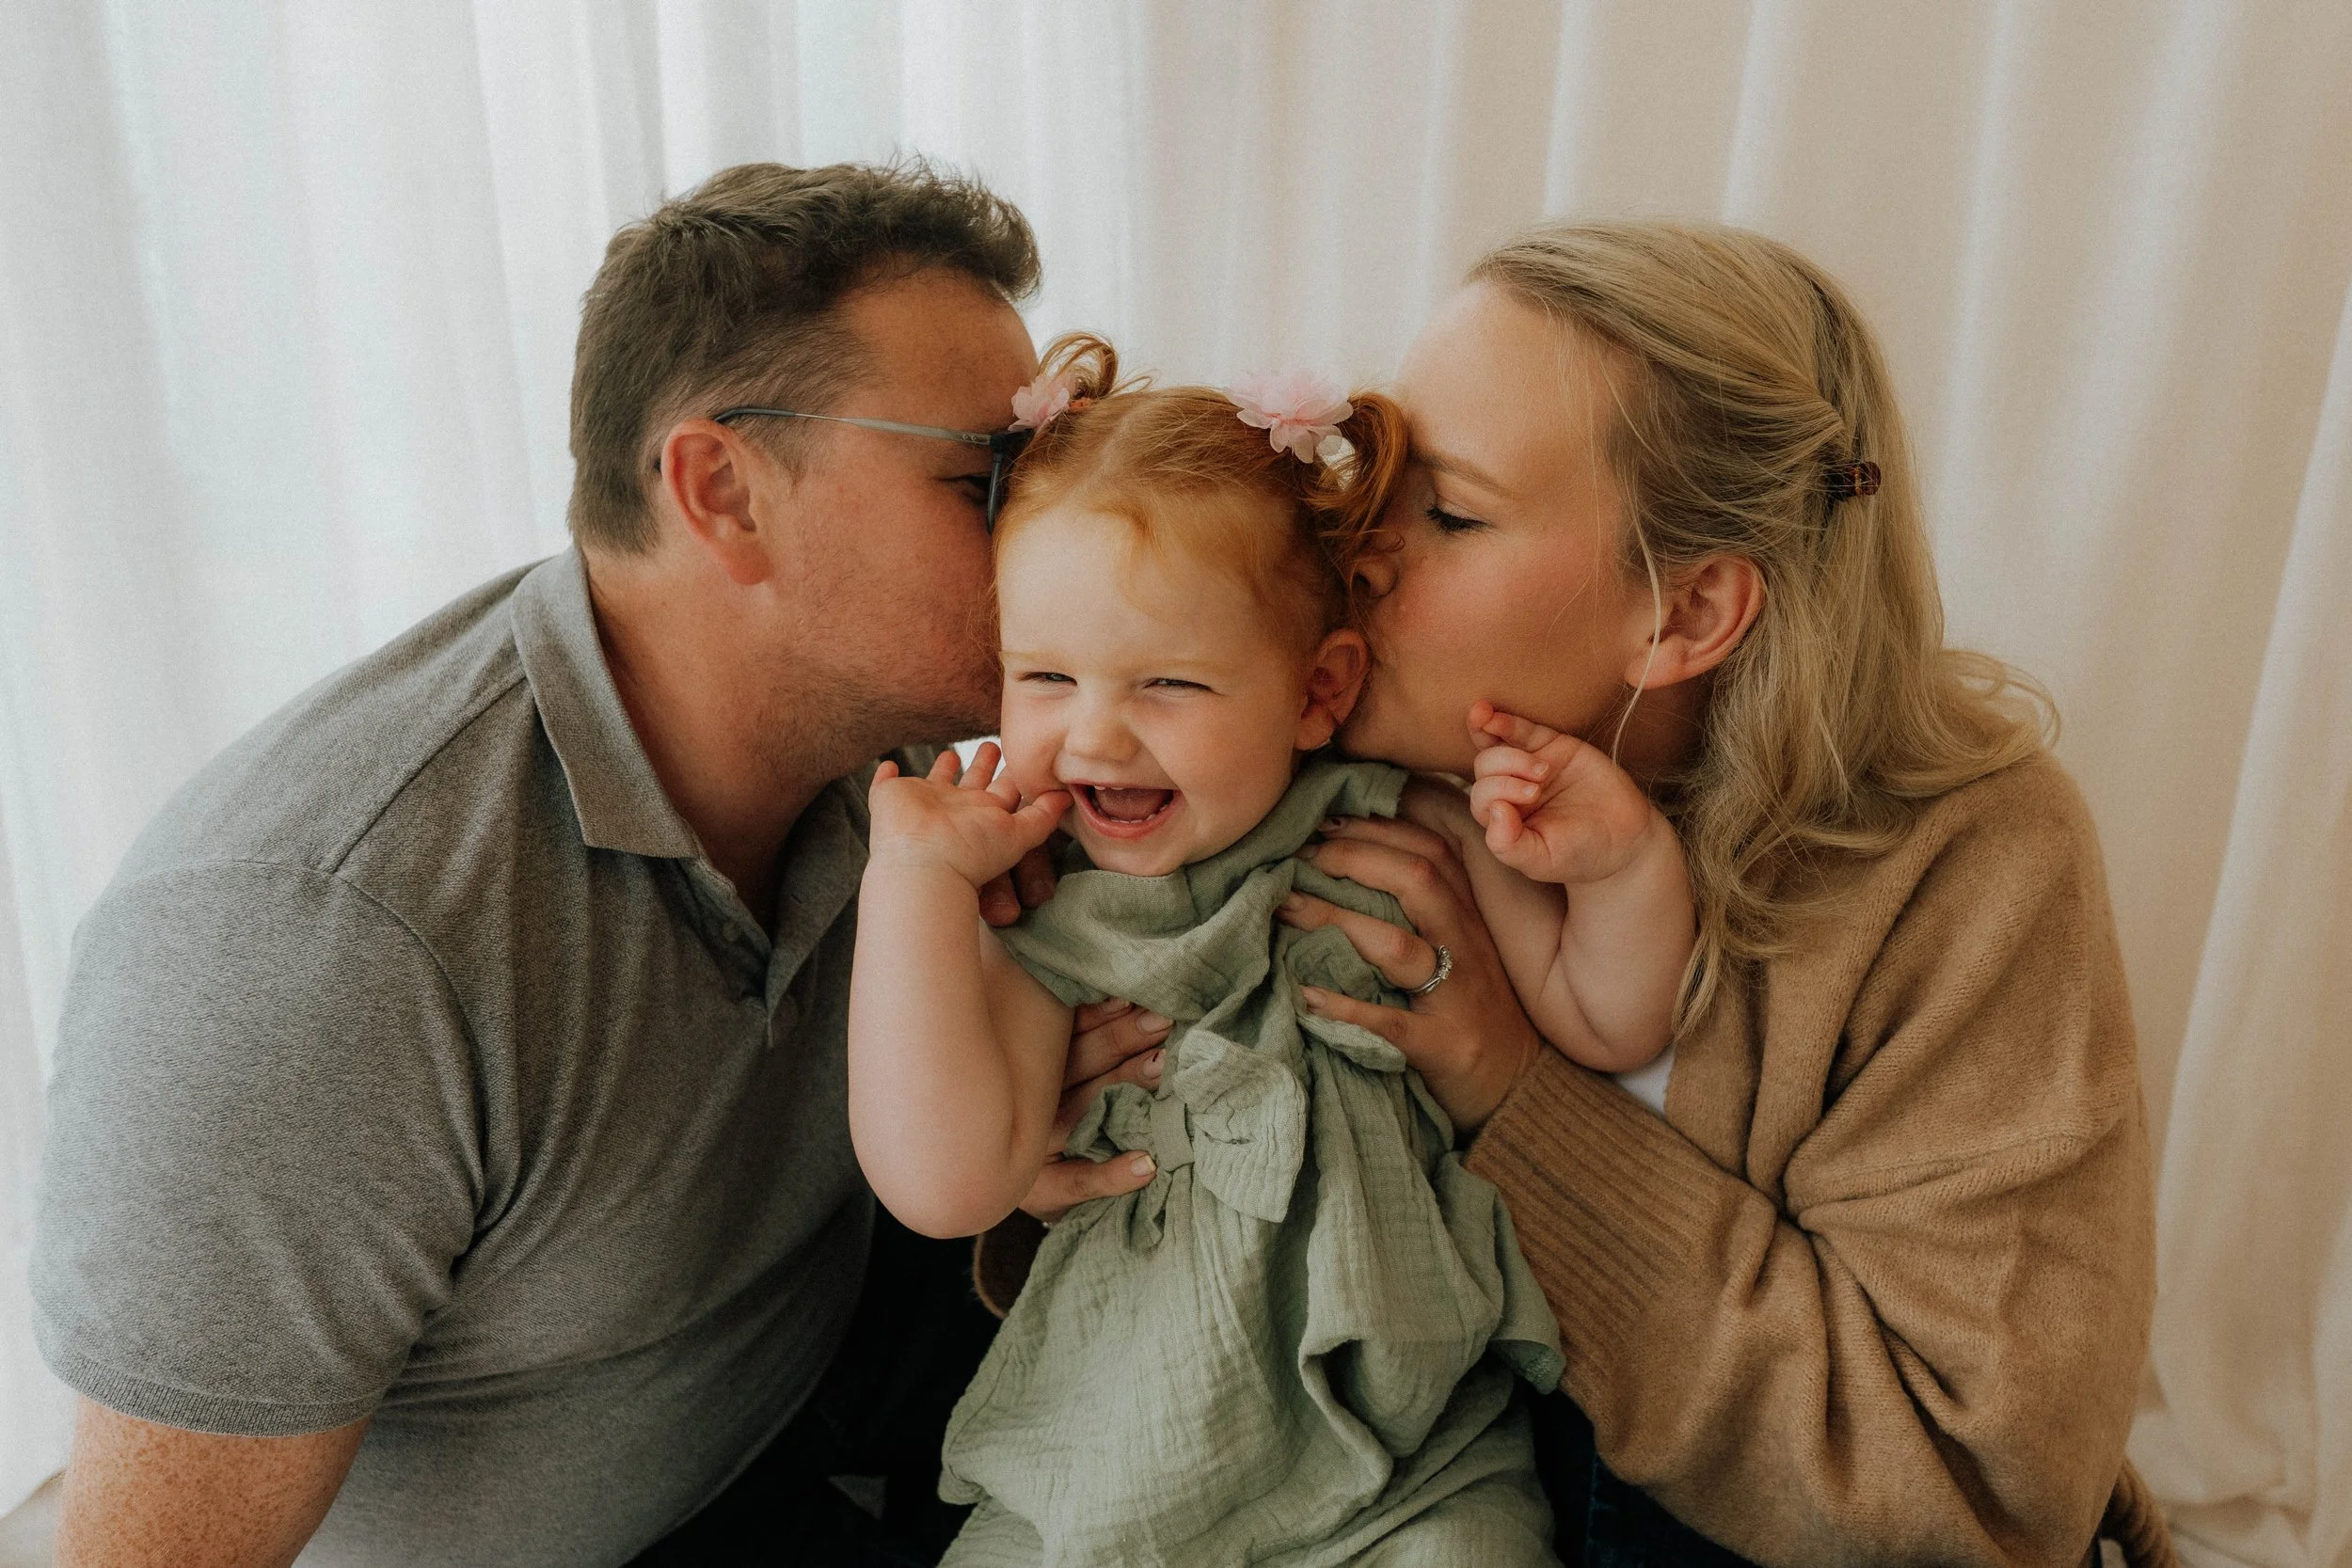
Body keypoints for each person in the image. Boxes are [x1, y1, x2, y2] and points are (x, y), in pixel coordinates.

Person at [27, 161, 1158, 1568]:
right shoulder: (315, 950)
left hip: (820, 1401)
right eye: (989, 477)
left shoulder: (922, 754)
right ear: (723, 489)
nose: (1051, 536)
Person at [1269, 220, 2173, 1565]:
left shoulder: (1975, 863)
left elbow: (1969, 1493)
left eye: (1448, 510)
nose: (1360, 545)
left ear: (1688, 612)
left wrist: (1517, 1097)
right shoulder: (1344, 761)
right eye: (1377, 473)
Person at [849, 335, 1693, 1566]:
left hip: (1404, 1466)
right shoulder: (1042, 904)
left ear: (1315, 689)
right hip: (1102, 1468)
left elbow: (1616, 1020)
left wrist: (1621, 867)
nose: (1096, 734)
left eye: (1170, 684)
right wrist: (912, 888)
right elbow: (947, 1182)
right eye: (1043, 675)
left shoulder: (1401, 828)